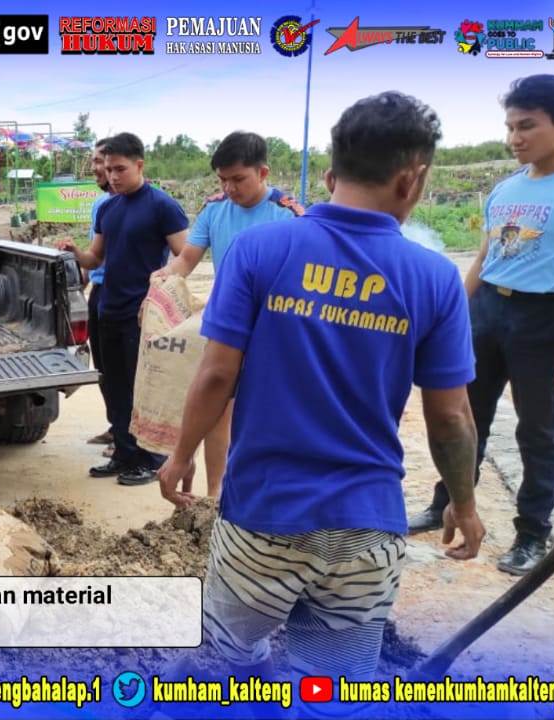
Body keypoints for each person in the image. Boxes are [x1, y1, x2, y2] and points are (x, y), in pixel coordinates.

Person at [157, 92, 484, 687]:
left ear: (331, 175)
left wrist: (181, 455)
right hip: (366, 525)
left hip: (262, 516)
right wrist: (462, 502)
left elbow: (216, 374)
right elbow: (452, 419)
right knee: (332, 685)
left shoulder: (260, 250)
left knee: (226, 660)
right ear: (412, 181)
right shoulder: (436, 280)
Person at [408, 74, 554, 575]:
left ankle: (532, 533)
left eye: (527, 126)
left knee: (538, 429)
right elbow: (485, 256)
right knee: (463, 413)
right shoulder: (505, 189)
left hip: (545, 318)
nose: (514, 138)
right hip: (487, 314)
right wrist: (452, 312)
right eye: (509, 126)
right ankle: (446, 503)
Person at [154, 131, 304, 497]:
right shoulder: (215, 209)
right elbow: (187, 259)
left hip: (274, 326)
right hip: (228, 323)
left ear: (263, 172)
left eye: (239, 179)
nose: (230, 188)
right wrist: (161, 279)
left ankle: (262, 489)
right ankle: (216, 492)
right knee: (219, 407)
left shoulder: (288, 214)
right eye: (223, 180)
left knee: (268, 410)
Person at [59, 132, 190, 486]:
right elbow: (95, 257)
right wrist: (74, 251)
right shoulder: (109, 208)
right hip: (107, 309)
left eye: (120, 169)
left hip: (140, 314)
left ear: (139, 165)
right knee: (112, 384)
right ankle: (123, 452)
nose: (113, 176)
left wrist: (158, 295)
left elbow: (185, 257)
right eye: (109, 169)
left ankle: (152, 458)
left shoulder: (161, 205)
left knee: (140, 387)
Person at [84, 139, 115, 456]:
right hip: (100, 290)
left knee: (126, 369)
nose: (97, 168)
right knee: (104, 366)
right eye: (94, 161)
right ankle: (115, 425)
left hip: (128, 295)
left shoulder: (150, 204)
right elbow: (94, 255)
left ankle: (129, 435)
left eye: (101, 162)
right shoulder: (100, 205)